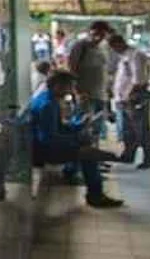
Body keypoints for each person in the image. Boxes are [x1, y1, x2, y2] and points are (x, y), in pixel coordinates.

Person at [31, 71, 123, 208]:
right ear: (58, 85)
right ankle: (95, 195)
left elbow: (58, 128)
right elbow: (48, 138)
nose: (72, 90)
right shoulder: (48, 105)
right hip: (43, 150)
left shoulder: (47, 98)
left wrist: (79, 125)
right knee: (89, 154)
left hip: (41, 145)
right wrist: (75, 139)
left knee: (86, 143)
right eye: (69, 86)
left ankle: (78, 173)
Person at [109, 34, 150, 169]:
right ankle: (128, 154)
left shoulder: (135, 55)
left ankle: (148, 158)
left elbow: (138, 80)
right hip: (123, 99)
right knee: (128, 130)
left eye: (114, 47)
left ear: (119, 43)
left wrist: (129, 96)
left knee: (141, 129)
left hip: (134, 98)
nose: (114, 50)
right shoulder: (124, 56)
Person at [68, 21, 113, 141]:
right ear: (91, 32)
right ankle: (81, 150)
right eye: (97, 33)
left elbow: (105, 69)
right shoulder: (80, 46)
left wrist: (108, 89)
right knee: (83, 124)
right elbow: (72, 69)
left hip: (101, 94)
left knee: (97, 126)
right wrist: (77, 91)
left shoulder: (104, 47)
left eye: (103, 34)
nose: (99, 37)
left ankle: (93, 148)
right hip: (85, 94)